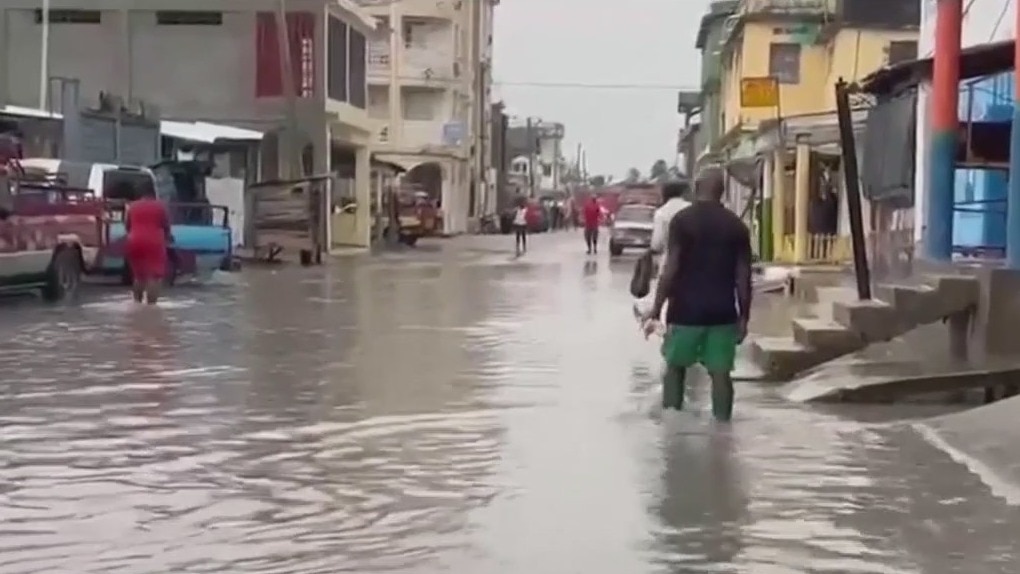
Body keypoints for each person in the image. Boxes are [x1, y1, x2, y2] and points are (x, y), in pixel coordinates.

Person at [641, 166, 752, 421]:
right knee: (721, 374)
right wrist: (744, 317)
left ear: (695, 187)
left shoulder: (682, 221)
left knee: (675, 368)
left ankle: (671, 424)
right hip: (723, 312)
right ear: (723, 191)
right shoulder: (736, 226)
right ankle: (723, 428)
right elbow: (743, 278)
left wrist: (656, 309)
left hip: (685, 311)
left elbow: (671, 268)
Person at [124, 180, 172, 304]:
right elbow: (166, 225)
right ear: (153, 192)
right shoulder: (160, 206)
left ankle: (137, 303)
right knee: (154, 276)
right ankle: (151, 306)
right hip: (153, 241)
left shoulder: (132, 206)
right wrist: (168, 237)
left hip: (134, 240)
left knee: (138, 276)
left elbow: (127, 226)